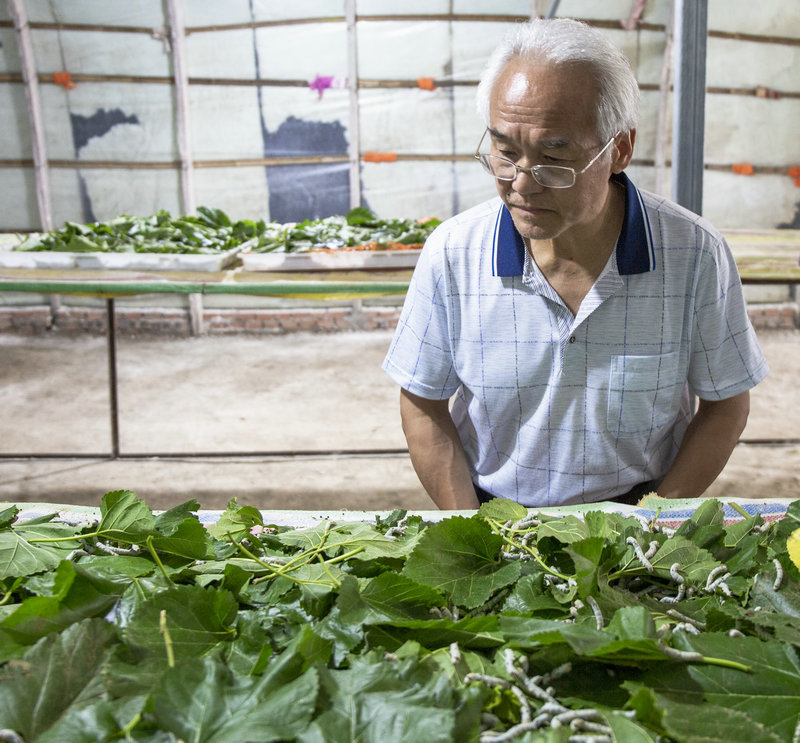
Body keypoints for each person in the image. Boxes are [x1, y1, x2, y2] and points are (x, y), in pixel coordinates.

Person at [382, 17, 768, 510]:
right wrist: (471, 528)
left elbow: (726, 402)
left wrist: (656, 520)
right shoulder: (454, 253)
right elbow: (423, 402)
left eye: (552, 157)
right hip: (493, 512)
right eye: (505, 152)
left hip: (638, 510)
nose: (521, 183)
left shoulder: (692, 254)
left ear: (619, 149)